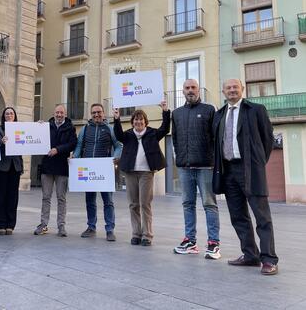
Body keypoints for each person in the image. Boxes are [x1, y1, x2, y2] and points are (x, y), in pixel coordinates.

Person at [213, 79, 278, 275]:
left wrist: (258, 162)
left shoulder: (256, 109)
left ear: (242, 89)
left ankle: (269, 259)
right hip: (228, 171)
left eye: (235, 87)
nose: (232, 90)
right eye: (228, 88)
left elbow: (268, 139)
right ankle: (250, 255)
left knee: (262, 217)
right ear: (223, 92)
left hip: (250, 168)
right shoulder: (219, 115)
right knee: (238, 216)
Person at [172, 79, 221, 259]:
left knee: (209, 204)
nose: (190, 90)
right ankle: (190, 242)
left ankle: (213, 243)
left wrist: (215, 162)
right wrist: (180, 158)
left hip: (206, 166)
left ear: (198, 90)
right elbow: (175, 139)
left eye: (193, 87)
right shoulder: (176, 113)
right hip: (185, 167)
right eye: (187, 88)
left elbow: (216, 138)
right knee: (187, 204)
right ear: (182, 91)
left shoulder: (209, 110)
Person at [113, 102, 170, 246]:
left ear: (145, 121)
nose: (138, 122)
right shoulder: (128, 135)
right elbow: (118, 134)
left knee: (145, 203)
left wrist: (165, 111)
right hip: (131, 172)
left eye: (141, 119)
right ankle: (136, 234)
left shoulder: (152, 133)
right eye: (136, 120)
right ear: (132, 122)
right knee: (133, 204)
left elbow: (165, 128)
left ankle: (147, 235)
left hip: (146, 173)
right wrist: (117, 118)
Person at [73, 103, 122, 241]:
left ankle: (110, 229)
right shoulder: (85, 129)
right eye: (94, 112)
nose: (96, 115)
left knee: (108, 201)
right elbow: (79, 146)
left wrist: (116, 157)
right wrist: (74, 157)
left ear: (103, 113)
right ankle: (91, 227)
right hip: (88, 171)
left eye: (99, 112)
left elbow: (118, 145)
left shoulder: (109, 128)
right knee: (90, 201)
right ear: (91, 114)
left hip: (104, 171)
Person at [34, 104, 77, 237]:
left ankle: (61, 226)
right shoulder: (46, 126)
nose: (59, 115)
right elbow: (36, 138)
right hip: (47, 166)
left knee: (61, 198)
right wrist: (36, 127)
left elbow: (72, 144)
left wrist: (58, 150)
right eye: (57, 112)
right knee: (46, 197)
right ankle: (43, 224)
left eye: (61, 113)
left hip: (62, 168)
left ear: (65, 114)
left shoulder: (70, 128)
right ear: (54, 113)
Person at [0, 107, 23, 235]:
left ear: (15, 116)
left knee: (12, 197)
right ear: (3, 116)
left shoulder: (20, 130)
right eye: (7, 113)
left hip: (15, 167)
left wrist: (39, 127)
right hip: (0, 167)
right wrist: (0, 142)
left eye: (11, 113)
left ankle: (10, 224)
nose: (9, 115)